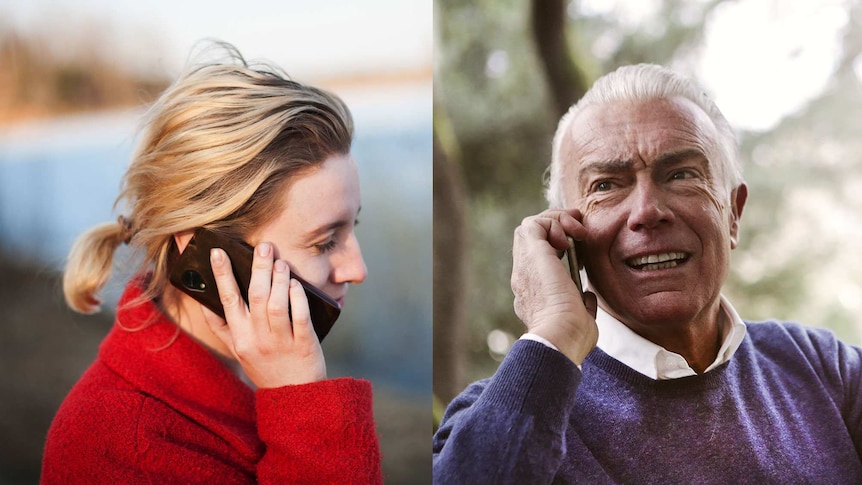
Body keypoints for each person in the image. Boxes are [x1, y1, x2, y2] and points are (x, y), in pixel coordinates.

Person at [433, 64, 862, 483]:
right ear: (565, 231)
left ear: (733, 213)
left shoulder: (821, 366)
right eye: (606, 185)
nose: (647, 212)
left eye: (680, 174)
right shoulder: (509, 413)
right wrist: (554, 335)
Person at [42, 43, 382, 484]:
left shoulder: (254, 375)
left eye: (351, 228)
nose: (358, 269)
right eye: (324, 242)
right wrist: (303, 403)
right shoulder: (117, 450)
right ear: (208, 253)